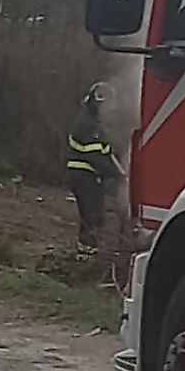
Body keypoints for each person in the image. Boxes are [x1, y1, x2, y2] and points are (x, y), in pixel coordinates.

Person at [66, 82, 125, 260]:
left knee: (92, 215)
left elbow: (103, 153)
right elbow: (96, 156)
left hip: (84, 176)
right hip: (86, 177)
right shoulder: (91, 125)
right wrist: (116, 174)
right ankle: (87, 255)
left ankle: (87, 251)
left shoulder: (89, 120)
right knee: (91, 216)